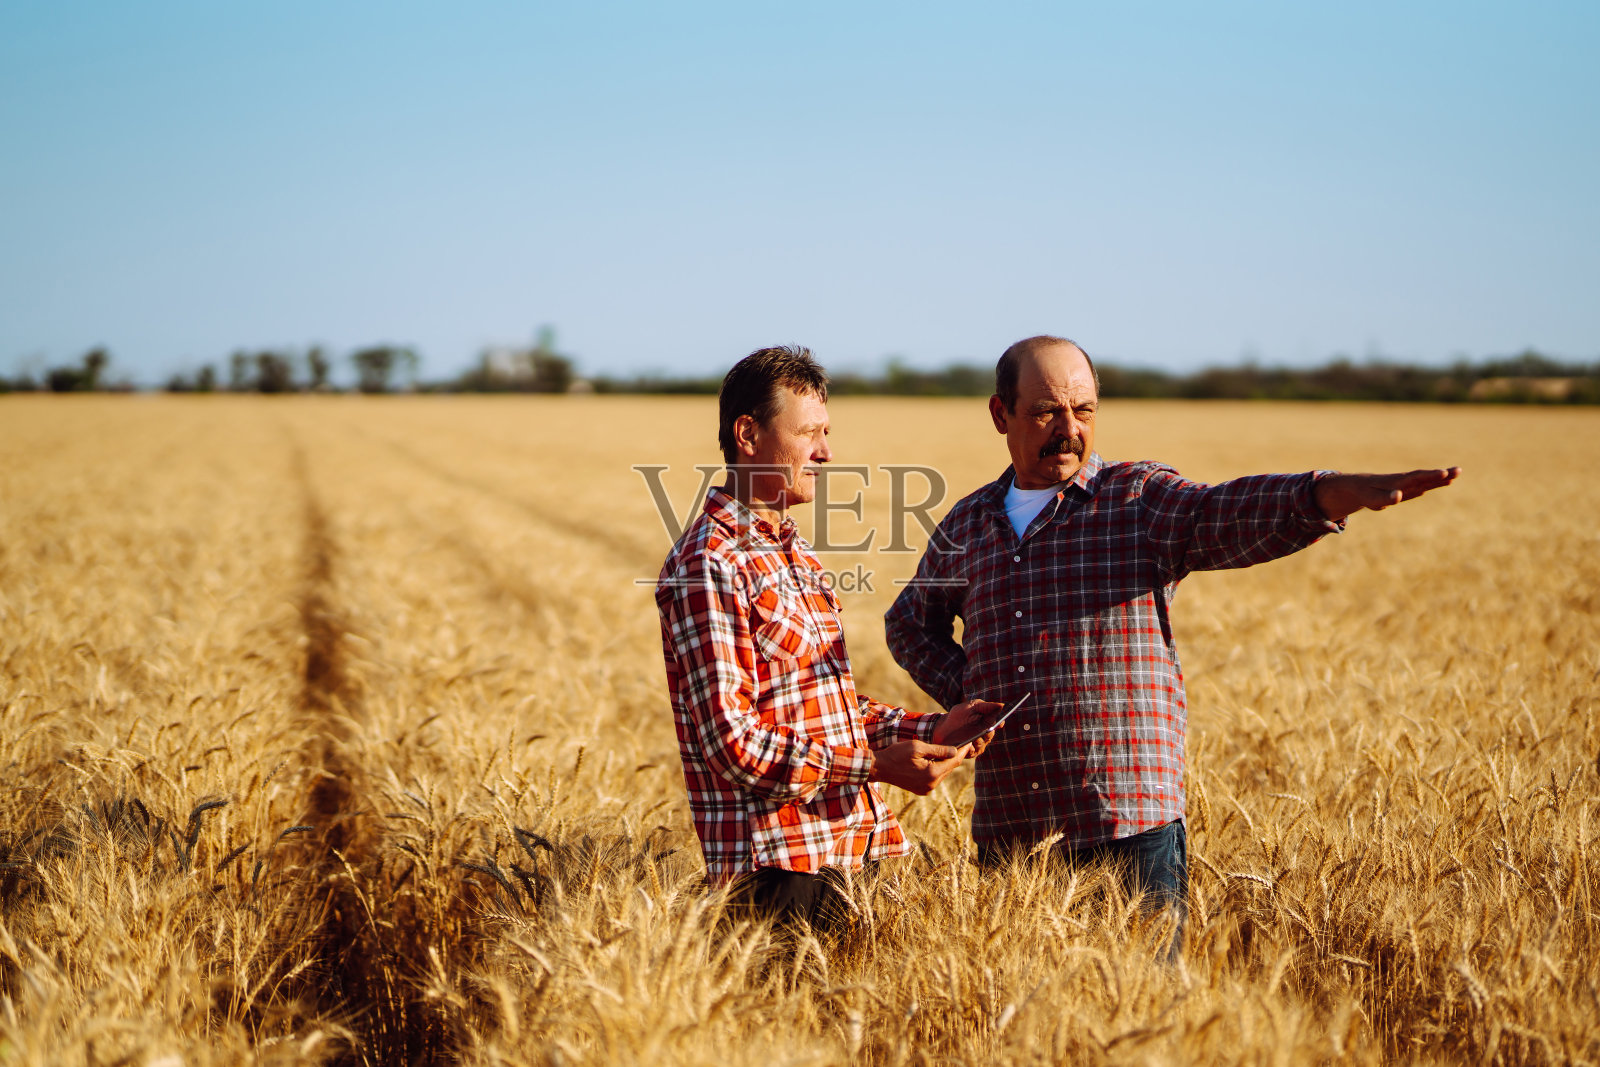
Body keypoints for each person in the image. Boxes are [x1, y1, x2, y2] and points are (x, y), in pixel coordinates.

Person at [884, 335, 1459, 940]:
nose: (1069, 429)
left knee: (1146, 1008)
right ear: (1001, 414)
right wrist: (974, 694)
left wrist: (1322, 495)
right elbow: (908, 622)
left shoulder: (1136, 499)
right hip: (1014, 826)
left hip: (1127, 822)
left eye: (1084, 411)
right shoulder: (970, 522)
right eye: (1046, 411)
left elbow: (1222, 514)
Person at [656, 345, 1001, 933]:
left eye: (827, 432)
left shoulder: (797, 556)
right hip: (777, 873)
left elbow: (829, 711)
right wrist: (875, 766)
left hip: (853, 855)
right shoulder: (707, 563)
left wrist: (932, 731)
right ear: (748, 434)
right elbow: (733, 746)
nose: (826, 452)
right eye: (810, 433)